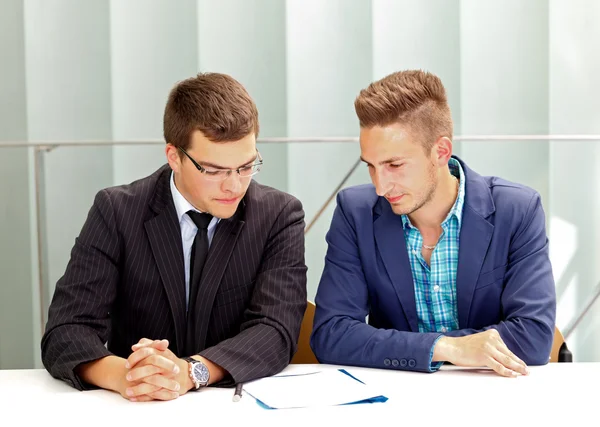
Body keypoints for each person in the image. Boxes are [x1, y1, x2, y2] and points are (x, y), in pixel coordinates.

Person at [42, 72, 308, 401]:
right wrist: (129, 375)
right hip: (137, 410)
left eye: (246, 166)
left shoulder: (279, 215)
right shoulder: (117, 211)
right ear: (174, 157)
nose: (234, 185)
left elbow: (276, 331)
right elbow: (66, 329)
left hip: (232, 406)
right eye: (213, 170)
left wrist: (191, 371)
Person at [310, 69, 556, 377]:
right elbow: (331, 334)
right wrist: (444, 348)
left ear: (440, 151)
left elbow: (533, 339)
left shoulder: (517, 210)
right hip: (398, 397)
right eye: (371, 166)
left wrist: (394, 345)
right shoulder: (355, 213)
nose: (380, 187)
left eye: (394, 165)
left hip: (493, 395)